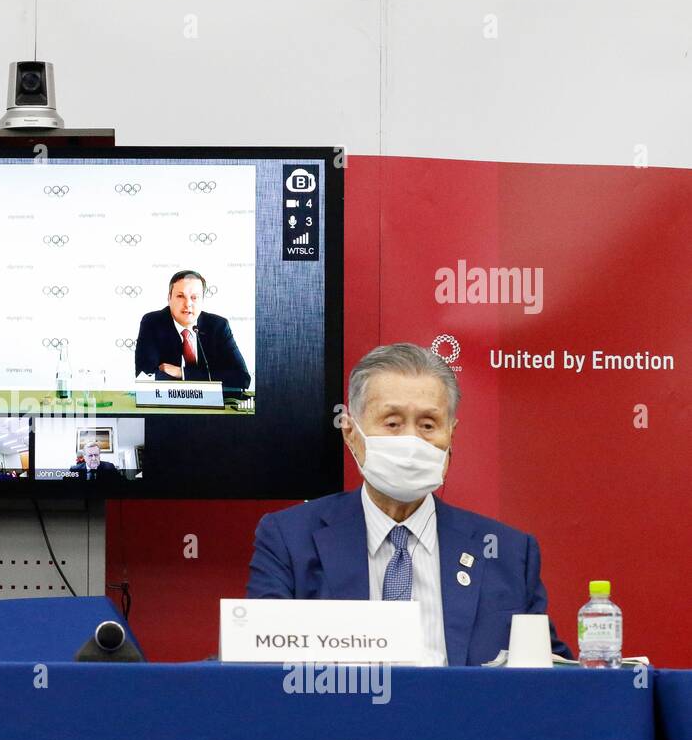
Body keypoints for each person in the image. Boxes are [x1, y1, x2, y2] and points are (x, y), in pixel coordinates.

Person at [246, 342, 571, 666]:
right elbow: (256, 671)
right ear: (349, 431)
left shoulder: (510, 553)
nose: (411, 441)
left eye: (428, 425)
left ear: (451, 435)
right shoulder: (289, 539)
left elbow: (553, 679)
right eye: (392, 423)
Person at [134, 269, 251, 391]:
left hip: (212, 405)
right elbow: (146, 377)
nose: (188, 303)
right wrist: (212, 378)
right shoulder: (153, 323)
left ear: (202, 300)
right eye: (180, 296)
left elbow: (242, 378)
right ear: (169, 298)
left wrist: (182, 373)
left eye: (194, 297)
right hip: (169, 405)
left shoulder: (218, 326)